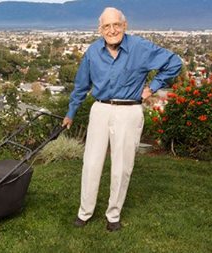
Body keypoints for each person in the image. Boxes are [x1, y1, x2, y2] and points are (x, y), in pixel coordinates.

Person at [62, 7, 182, 232]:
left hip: (129, 111)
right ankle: (84, 212)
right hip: (100, 110)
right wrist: (71, 112)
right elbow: (80, 86)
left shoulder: (140, 47)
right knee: (91, 163)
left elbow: (174, 63)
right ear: (100, 29)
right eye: (106, 26)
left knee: (122, 166)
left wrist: (153, 87)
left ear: (124, 26)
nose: (112, 30)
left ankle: (113, 215)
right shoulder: (92, 52)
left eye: (116, 24)